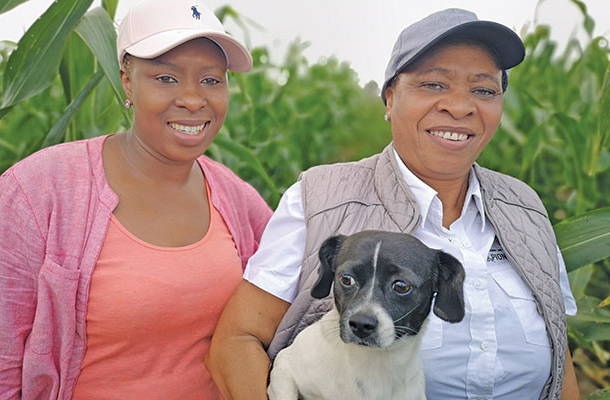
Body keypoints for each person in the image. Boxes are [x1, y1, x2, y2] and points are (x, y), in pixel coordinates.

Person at [206, 8, 580, 400]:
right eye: (433, 84)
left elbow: (559, 353)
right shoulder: (321, 198)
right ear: (390, 98)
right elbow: (236, 341)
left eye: (484, 90)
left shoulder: (525, 208)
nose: (460, 106)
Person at [0, 0, 272, 398]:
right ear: (127, 80)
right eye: (166, 78)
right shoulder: (36, 192)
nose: (194, 100)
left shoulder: (238, 201)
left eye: (212, 80)